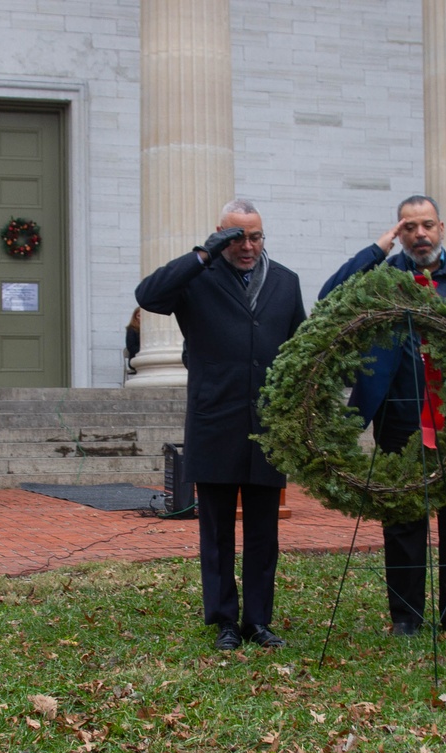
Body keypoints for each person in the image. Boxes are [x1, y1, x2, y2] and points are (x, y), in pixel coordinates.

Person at [319, 195, 446, 639]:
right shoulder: (380, 277)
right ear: (397, 233)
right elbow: (329, 297)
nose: (419, 234)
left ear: (441, 227)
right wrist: (375, 251)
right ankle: (406, 616)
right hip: (399, 416)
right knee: (403, 518)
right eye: (408, 227)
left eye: (426, 225)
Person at [135, 199, 306, 652]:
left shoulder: (286, 282)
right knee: (215, 532)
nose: (247, 246)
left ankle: (258, 621)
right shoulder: (198, 279)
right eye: (237, 237)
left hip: (268, 427)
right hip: (215, 421)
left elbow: (300, 350)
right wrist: (203, 254)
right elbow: (148, 295)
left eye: (255, 236)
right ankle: (224, 620)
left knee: (263, 533)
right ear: (219, 235)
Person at [124, 307, 141, 373]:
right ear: (135, 317)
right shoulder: (131, 329)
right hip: (136, 357)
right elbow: (131, 347)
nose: (141, 318)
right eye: (139, 316)